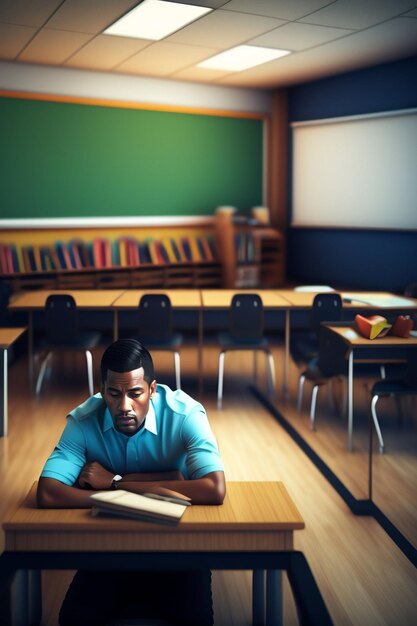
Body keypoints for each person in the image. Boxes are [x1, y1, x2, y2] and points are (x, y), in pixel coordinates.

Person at [37, 338, 225, 626]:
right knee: (73, 619)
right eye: (114, 393)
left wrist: (115, 483)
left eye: (135, 393)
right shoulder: (83, 420)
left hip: (179, 548)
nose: (124, 405)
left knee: (196, 619)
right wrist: (163, 483)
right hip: (109, 547)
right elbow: (49, 493)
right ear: (102, 391)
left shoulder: (186, 414)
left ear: (152, 389)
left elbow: (214, 488)